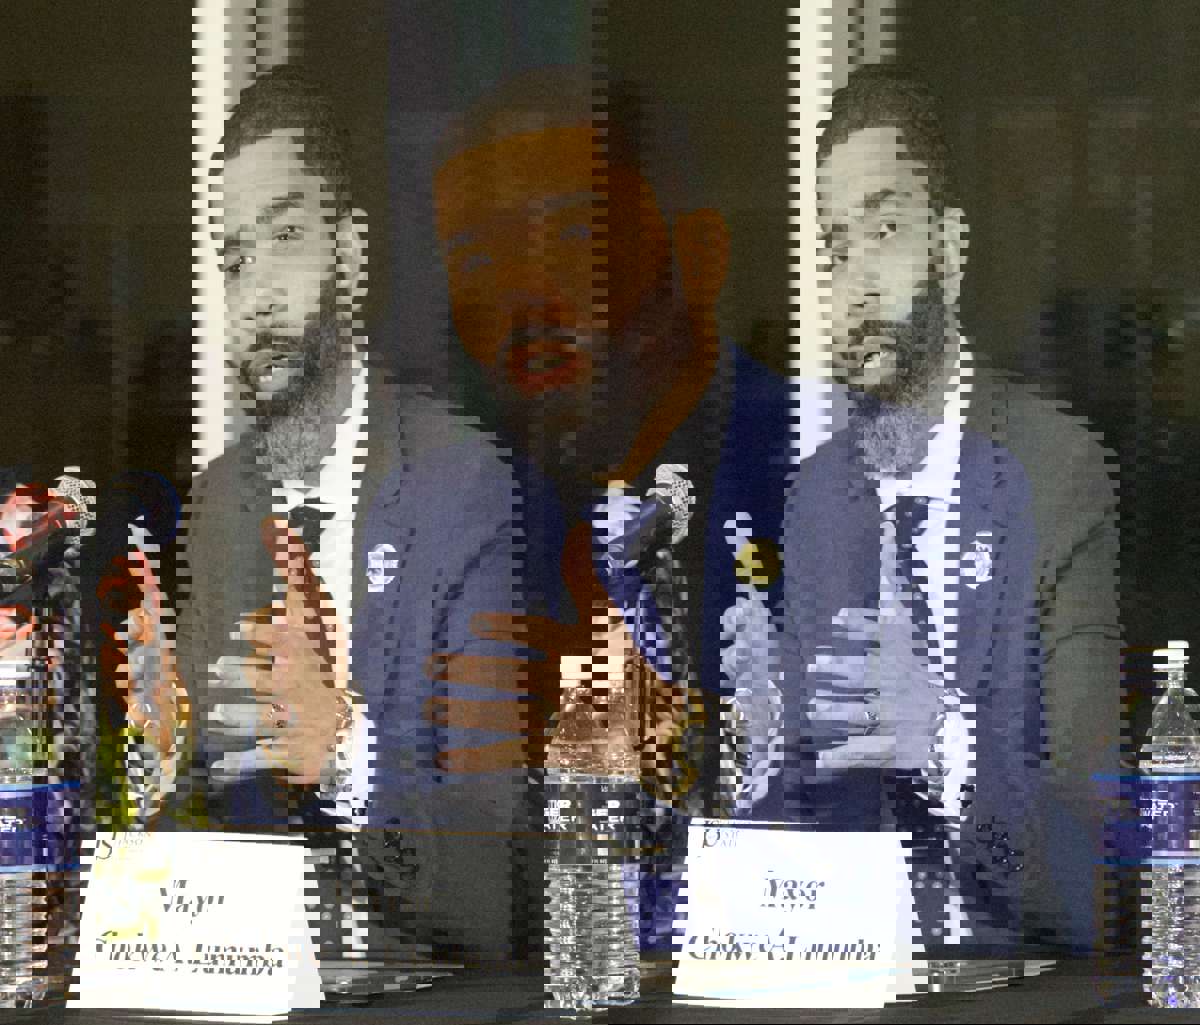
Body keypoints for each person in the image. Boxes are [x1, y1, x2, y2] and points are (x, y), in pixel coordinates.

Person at [128, 64, 523, 963]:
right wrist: (155, 769)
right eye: (235, 259)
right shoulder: (220, 507)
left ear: (349, 253)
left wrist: (342, 749)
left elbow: (493, 882)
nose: (258, 292)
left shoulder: (460, 484)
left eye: (284, 237)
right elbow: (208, 830)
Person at [749, 65, 1120, 955]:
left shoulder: (1058, 471)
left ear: (951, 249)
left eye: (884, 231)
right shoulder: (817, 498)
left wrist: (946, 745)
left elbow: (1091, 860)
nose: (857, 282)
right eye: (836, 248)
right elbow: (797, 813)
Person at [427, 67, 793, 957]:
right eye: (483, 262)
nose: (526, 299)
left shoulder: (813, 477)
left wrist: (685, 733)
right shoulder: (484, 506)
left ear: (696, 260)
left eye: (573, 241)